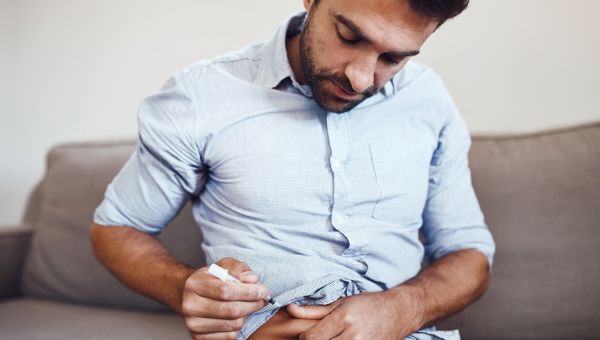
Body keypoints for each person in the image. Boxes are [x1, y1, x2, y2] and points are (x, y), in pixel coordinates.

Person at [90, 0, 495, 339]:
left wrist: (401, 310)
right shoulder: (201, 97)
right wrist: (188, 289)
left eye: (393, 58)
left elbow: (469, 255)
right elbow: (117, 229)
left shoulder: (429, 100)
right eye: (349, 36)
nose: (359, 78)